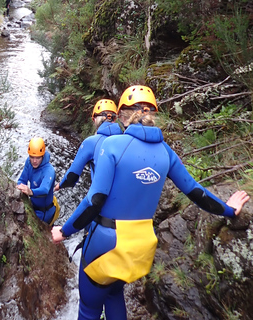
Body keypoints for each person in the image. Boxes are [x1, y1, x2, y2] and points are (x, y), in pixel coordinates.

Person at [51, 85, 250, 320]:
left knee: (89, 307)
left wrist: (64, 231)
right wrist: (229, 210)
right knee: (115, 294)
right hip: (141, 247)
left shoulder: (111, 145)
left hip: (106, 243)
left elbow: (95, 199)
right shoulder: (165, 151)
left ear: (123, 115)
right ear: (152, 114)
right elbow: (196, 192)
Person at [54, 99, 122, 192]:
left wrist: (60, 185)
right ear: (114, 119)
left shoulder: (91, 142)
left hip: (101, 197)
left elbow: (72, 176)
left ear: (94, 119)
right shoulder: (126, 141)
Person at [17, 137, 60, 225]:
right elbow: (22, 180)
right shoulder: (28, 162)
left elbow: (45, 190)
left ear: (43, 156)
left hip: (45, 212)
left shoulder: (49, 171)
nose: (34, 161)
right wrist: (19, 187)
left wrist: (30, 191)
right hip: (34, 204)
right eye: (32, 157)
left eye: (37, 158)